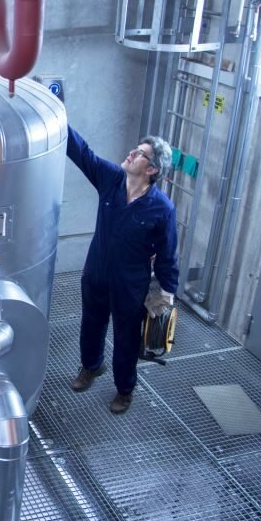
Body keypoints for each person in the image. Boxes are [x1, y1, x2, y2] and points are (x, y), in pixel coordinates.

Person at [67, 125, 179, 414]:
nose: (131, 154)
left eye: (140, 154)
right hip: (96, 273)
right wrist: (57, 114)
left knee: (126, 338)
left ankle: (125, 389)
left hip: (131, 284)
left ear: (152, 170)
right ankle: (91, 366)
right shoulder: (111, 179)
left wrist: (165, 296)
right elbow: (83, 153)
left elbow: (167, 255)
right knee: (91, 324)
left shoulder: (161, 208)